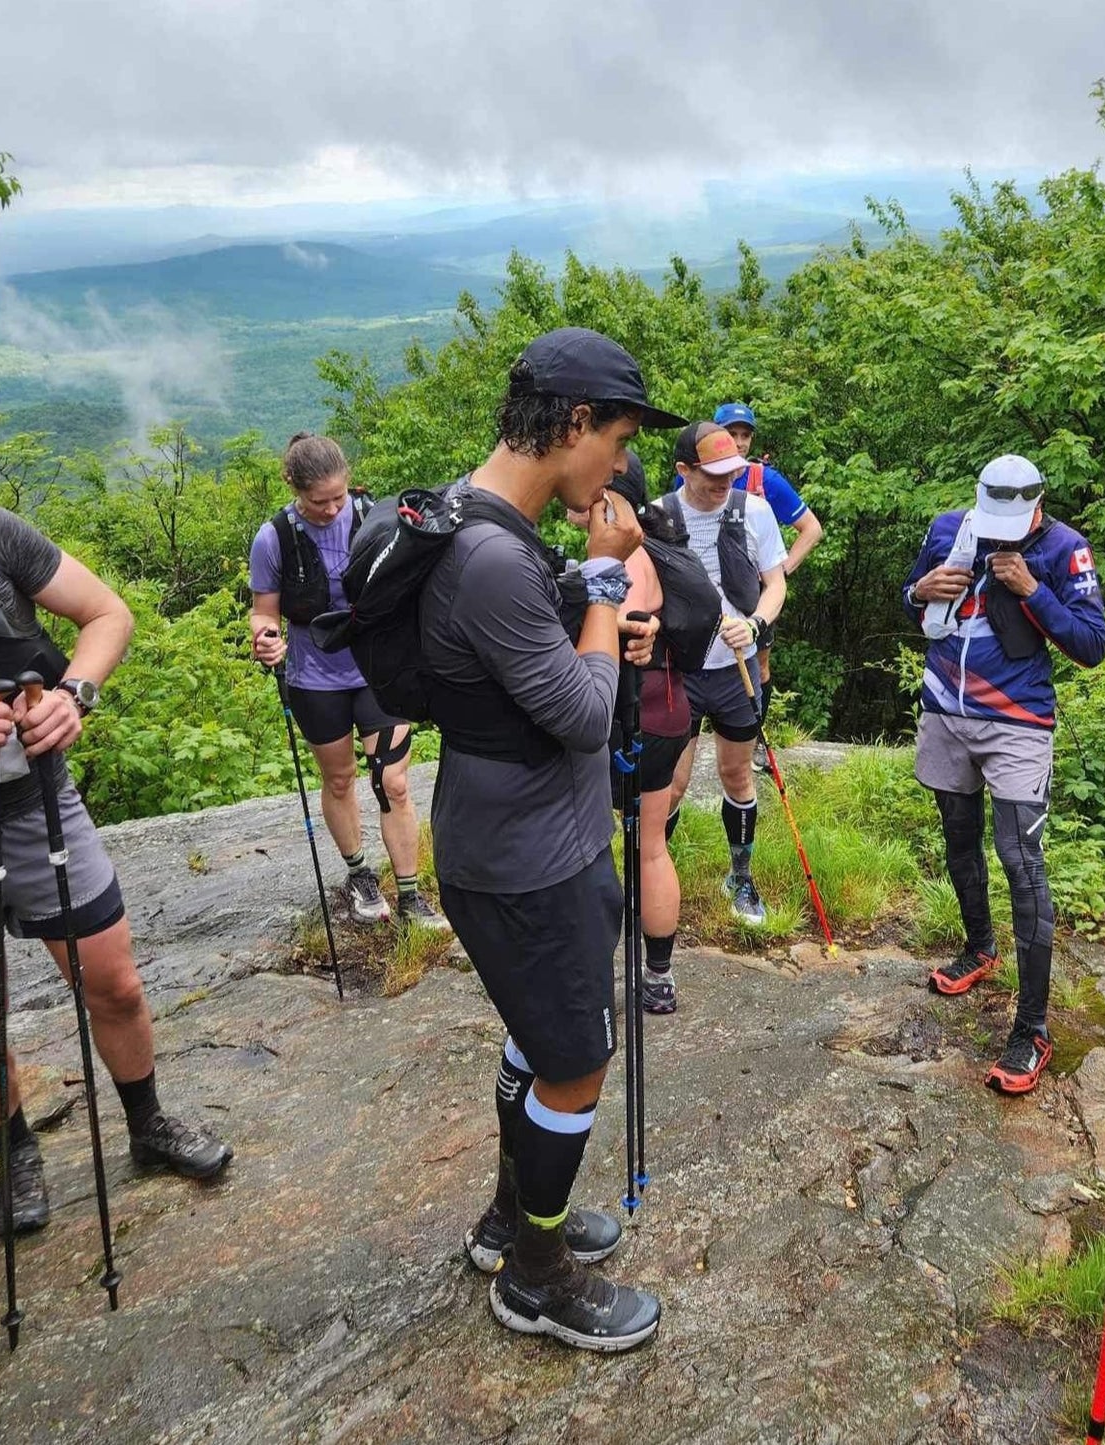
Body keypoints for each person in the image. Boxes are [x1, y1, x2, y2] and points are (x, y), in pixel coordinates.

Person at [419, 326, 682, 1350]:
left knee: (539, 1036)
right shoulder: (490, 551)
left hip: (523, 836)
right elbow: (579, 709)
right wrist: (607, 584)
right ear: (571, 422)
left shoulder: (478, 516)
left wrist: (582, 596)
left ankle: (509, 1214)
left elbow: (527, 655)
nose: (618, 464)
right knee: (575, 1058)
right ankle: (536, 1274)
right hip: (528, 855)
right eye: (613, 438)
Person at [0, 497, 232, 1236]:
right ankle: (15, 1152)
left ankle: (147, 1123)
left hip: (37, 800)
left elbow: (107, 614)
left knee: (112, 981)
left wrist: (73, 693)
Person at [902, 455, 1105, 1094]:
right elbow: (913, 601)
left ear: (1038, 504)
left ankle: (1033, 1029)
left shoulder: (1064, 549)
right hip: (945, 711)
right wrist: (918, 592)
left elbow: (1092, 644)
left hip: (1018, 721)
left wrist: (1031, 591)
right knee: (958, 838)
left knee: (1021, 861)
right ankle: (979, 947)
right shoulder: (948, 529)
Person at [249, 433, 447, 929]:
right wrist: (267, 638)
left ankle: (409, 895)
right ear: (293, 487)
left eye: (339, 496)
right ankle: (360, 875)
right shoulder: (274, 538)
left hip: (378, 671)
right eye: (319, 501)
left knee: (394, 782)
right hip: (315, 678)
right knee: (339, 779)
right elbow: (263, 613)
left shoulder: (371, 517)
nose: (331, 508)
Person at [567, 452, 689, 1013]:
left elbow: (629, 618)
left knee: (632, 847)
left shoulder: (631, 558)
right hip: (667, 710)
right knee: (652, 846)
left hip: (628, 717)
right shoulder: (660, 545)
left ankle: (631, 970)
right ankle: (659, 974)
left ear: (611, 502)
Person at [660, 422, 787, 925]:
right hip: (679, 670)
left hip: (735, 672)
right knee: (671, 783)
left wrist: (755, 625)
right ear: (683, 470)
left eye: (732, 471)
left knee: (737, 773)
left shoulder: (753, 510)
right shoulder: (659, 518)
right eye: (712, 474)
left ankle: (740, 876)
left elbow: (775, 584)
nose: (724, 482)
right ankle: (654, 874)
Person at [712, 402, 824, 768]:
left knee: (758, 665)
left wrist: (782, 569)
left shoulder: (765, 481)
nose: (740, 442)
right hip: (709, 586)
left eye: (745, 435)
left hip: (756, 593)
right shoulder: (694, 475)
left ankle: (755, 736)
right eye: (732, 434)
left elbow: (812, 528)